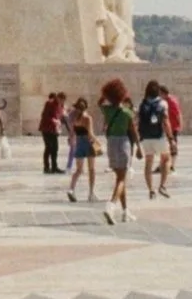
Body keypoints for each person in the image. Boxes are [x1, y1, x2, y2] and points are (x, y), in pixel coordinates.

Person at [98, 79, 137, 225]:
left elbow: (99, 102)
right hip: (123, 143)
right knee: (122, 178)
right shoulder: (127, 112)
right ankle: (111, 205)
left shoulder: (107, 110)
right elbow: (133, 131)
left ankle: (125, 211)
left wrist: (106, 94)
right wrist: (139, 148)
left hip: (111, 143)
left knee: (119, 177)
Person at [137, 81, 172, 198]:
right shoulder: (163, 103)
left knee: (148, 162)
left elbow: (137, 121)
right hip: (159, 137)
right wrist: (171, 138)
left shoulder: (142, 104)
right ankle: (162, 186)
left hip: (146, 138)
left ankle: (151, 190)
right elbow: (166, 122)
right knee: (166, 159)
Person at [65, 96, 97, 203]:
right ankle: (91, 193)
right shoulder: (87, 118)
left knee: (78, 170)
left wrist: (71, 140)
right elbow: (90, 134)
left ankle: (71, 189)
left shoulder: (74, 120)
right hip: (88, 144)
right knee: (91, 169)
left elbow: (72, 133)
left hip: (79, 144)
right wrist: (97, 142)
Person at [40, 94, 64, 174]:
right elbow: (44, 115)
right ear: (58, 98)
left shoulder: (60, 106)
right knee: (48, 148)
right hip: (46, 129)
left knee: (55, 148)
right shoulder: (49, 103)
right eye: (60, 99)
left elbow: (60, 117)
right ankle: (46, 167)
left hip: (54, 130)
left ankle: (54, 167)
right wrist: (53, 120)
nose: (61, 102)